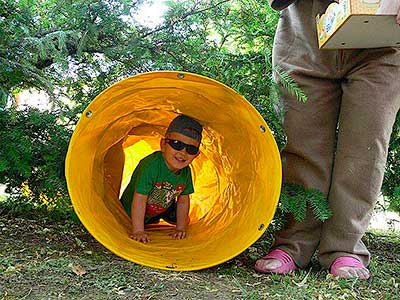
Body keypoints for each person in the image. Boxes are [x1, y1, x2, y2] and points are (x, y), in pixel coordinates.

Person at [255, 0, 400, 279]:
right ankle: (293, 242)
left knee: (365, 148)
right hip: (304, 36)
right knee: (301, 144)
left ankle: (345, 247)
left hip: (383, 39)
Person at [120, 114, 202, 244]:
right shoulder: (151, 165)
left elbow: (183, 201)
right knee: (137, 214)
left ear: (196, 155)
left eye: (191, 149)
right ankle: (143, 223)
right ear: (163, 144)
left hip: (160, 210)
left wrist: (180, 228)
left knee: (185, 220)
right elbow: (140, 198)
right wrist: (138, 231)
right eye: (176, 144)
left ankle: (158, 218)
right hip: (132, 212)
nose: (183, 152)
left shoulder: (186, 172)